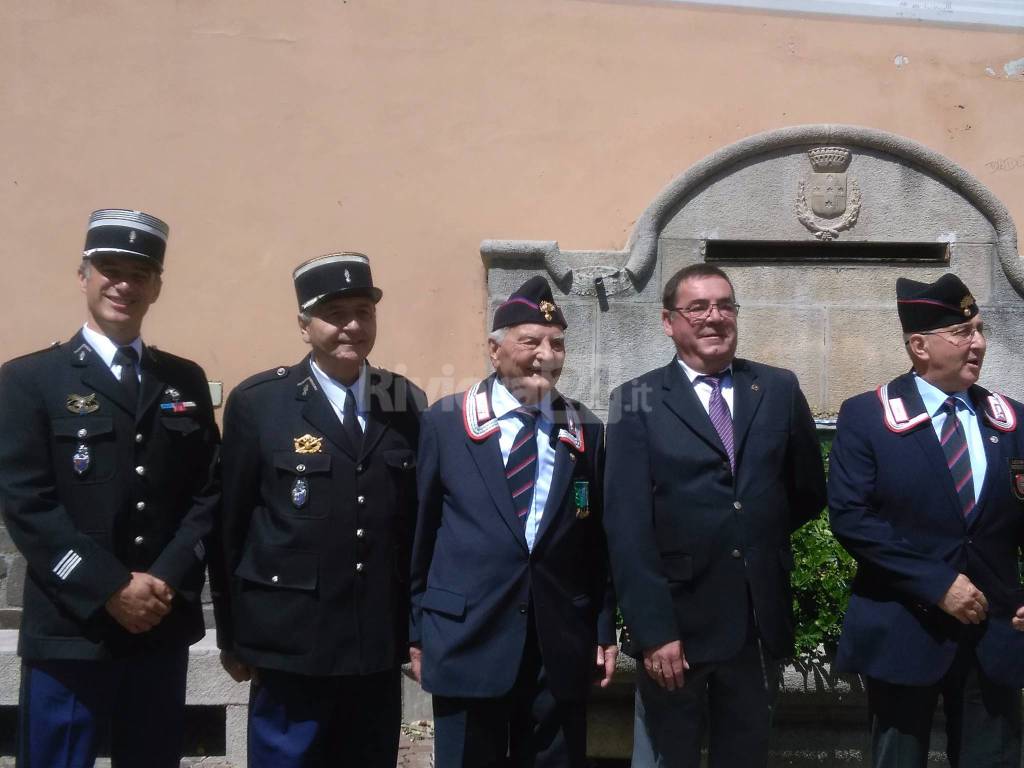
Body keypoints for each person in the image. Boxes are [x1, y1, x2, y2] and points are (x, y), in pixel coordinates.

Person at [0, 209, 220, 767]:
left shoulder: (184, 379)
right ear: (83, 276)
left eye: (139, 273)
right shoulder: (30, 381)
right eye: (110, 269)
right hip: (72, 625)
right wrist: (108, 586)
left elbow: (207, 491)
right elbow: (27, 504)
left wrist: (165, 579)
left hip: (158, 624)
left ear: (157, 287)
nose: (124, 284)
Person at [603, 263, 827, 767]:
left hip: (754, 622)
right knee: (666, 758)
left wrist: (752, 541)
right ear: (668, 321)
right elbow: (627, 528)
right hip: (677, 627)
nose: (714, 317)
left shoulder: (776, 389)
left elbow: (807, 490)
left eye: (725, 306)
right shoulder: (635, 402)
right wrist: (654, 630)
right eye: (698, 307)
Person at [210, 252, 424, 767]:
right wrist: (232, 634)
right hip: (289, 640)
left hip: (374, 642)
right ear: (304, 324)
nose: (352, 326)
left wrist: (416, 630)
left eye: (363, 312)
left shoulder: (405, 401)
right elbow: (228, 526)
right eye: (335, 314)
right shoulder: (261, 402)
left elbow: (415, 528)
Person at [409, 275, 617, 767]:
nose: (546, 354)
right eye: (531, 341)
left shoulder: (586, 427)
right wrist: (416, 631)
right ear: (495, 350)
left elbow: (597, 543)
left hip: (559, 642)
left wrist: (603, 630)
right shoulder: (445, 422)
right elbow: (418, 535)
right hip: (467, 634)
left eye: (557, 343)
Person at [829, 273, 1024, 767]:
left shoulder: (1013, 420)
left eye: (979, 329)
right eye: (962, 333)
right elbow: (853, 518)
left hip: (995, 635)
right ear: (919, 345)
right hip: (904, 629)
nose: (977, 342)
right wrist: (939, 584)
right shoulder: (867, 417)